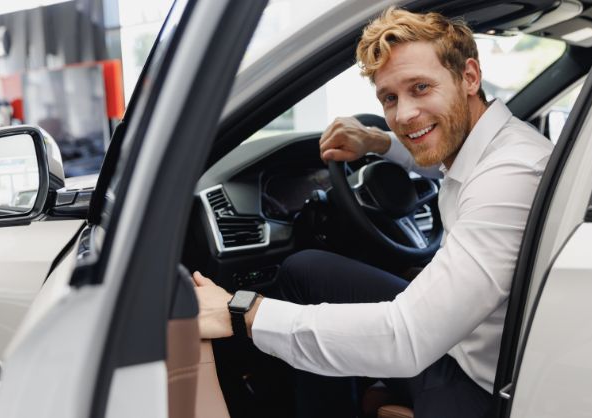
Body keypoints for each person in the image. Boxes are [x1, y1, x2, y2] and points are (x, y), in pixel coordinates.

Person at [194, 7, 553, 417]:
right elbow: (436, 155)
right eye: (390, 98)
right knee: (306, 271)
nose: (403, 115)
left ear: (470, 77)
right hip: (469, 340)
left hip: (478, 384)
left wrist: (242, 313)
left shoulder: (508, 176)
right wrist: (377, 143)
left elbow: (407, 337)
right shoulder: (491, 144)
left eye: (420, 87)